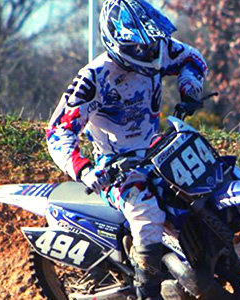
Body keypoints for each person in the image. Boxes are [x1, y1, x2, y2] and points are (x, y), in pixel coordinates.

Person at [45, 0, 207, 299]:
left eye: (150, 43)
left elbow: (192, 58)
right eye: (138, 47)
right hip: (116, 166)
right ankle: (148, 293)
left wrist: (189, 82)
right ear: (116, 40)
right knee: (148, 215)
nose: (147, 52)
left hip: (157, 150)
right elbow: (58, 131)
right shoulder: (94, 77)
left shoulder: (158, 49)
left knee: (206, 177)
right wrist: (82, 168)